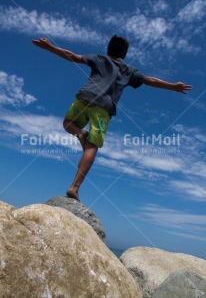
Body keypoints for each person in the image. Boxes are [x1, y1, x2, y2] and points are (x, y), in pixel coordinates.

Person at [32, 35, 192, 201]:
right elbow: (150, 80)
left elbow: (72, 56)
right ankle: (74, 187)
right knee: (92, 147)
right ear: (125, 54)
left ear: (108, 49)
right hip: (103, 108)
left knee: (67, 123)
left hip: (85, 97)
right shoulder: (129, 70)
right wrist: (173, 87)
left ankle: (81, 133)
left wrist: (50, 47)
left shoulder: (100, 58)